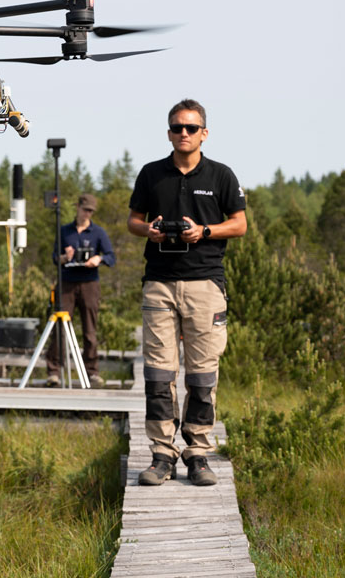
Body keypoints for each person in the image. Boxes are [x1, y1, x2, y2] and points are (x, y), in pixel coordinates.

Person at [127, 99, 247, 487]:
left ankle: (198, 454)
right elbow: (133, 221)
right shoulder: (151, 174)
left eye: (191, 128)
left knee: (202, 374)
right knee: (159, 373)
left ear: (204, 133)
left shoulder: (222, 175)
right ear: (168, 133)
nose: (184, 133)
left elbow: (240, 224)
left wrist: (205, 231)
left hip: (205, 283)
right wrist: (150, 231)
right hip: (159, 281)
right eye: (177, 127)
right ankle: (162, 455)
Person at [47, 193, 116, 387]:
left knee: (89, 329)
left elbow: (111, 256)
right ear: (77, 207)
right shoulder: (64, 231)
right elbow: (54, 257)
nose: (87, 214)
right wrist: (64, 258)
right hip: (67, 282)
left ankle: (92, 372)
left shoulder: (98, 233)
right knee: (59, 328)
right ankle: (54, 372)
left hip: (89, 284)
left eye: (91, 211)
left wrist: (98, 259)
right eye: (85, 209)